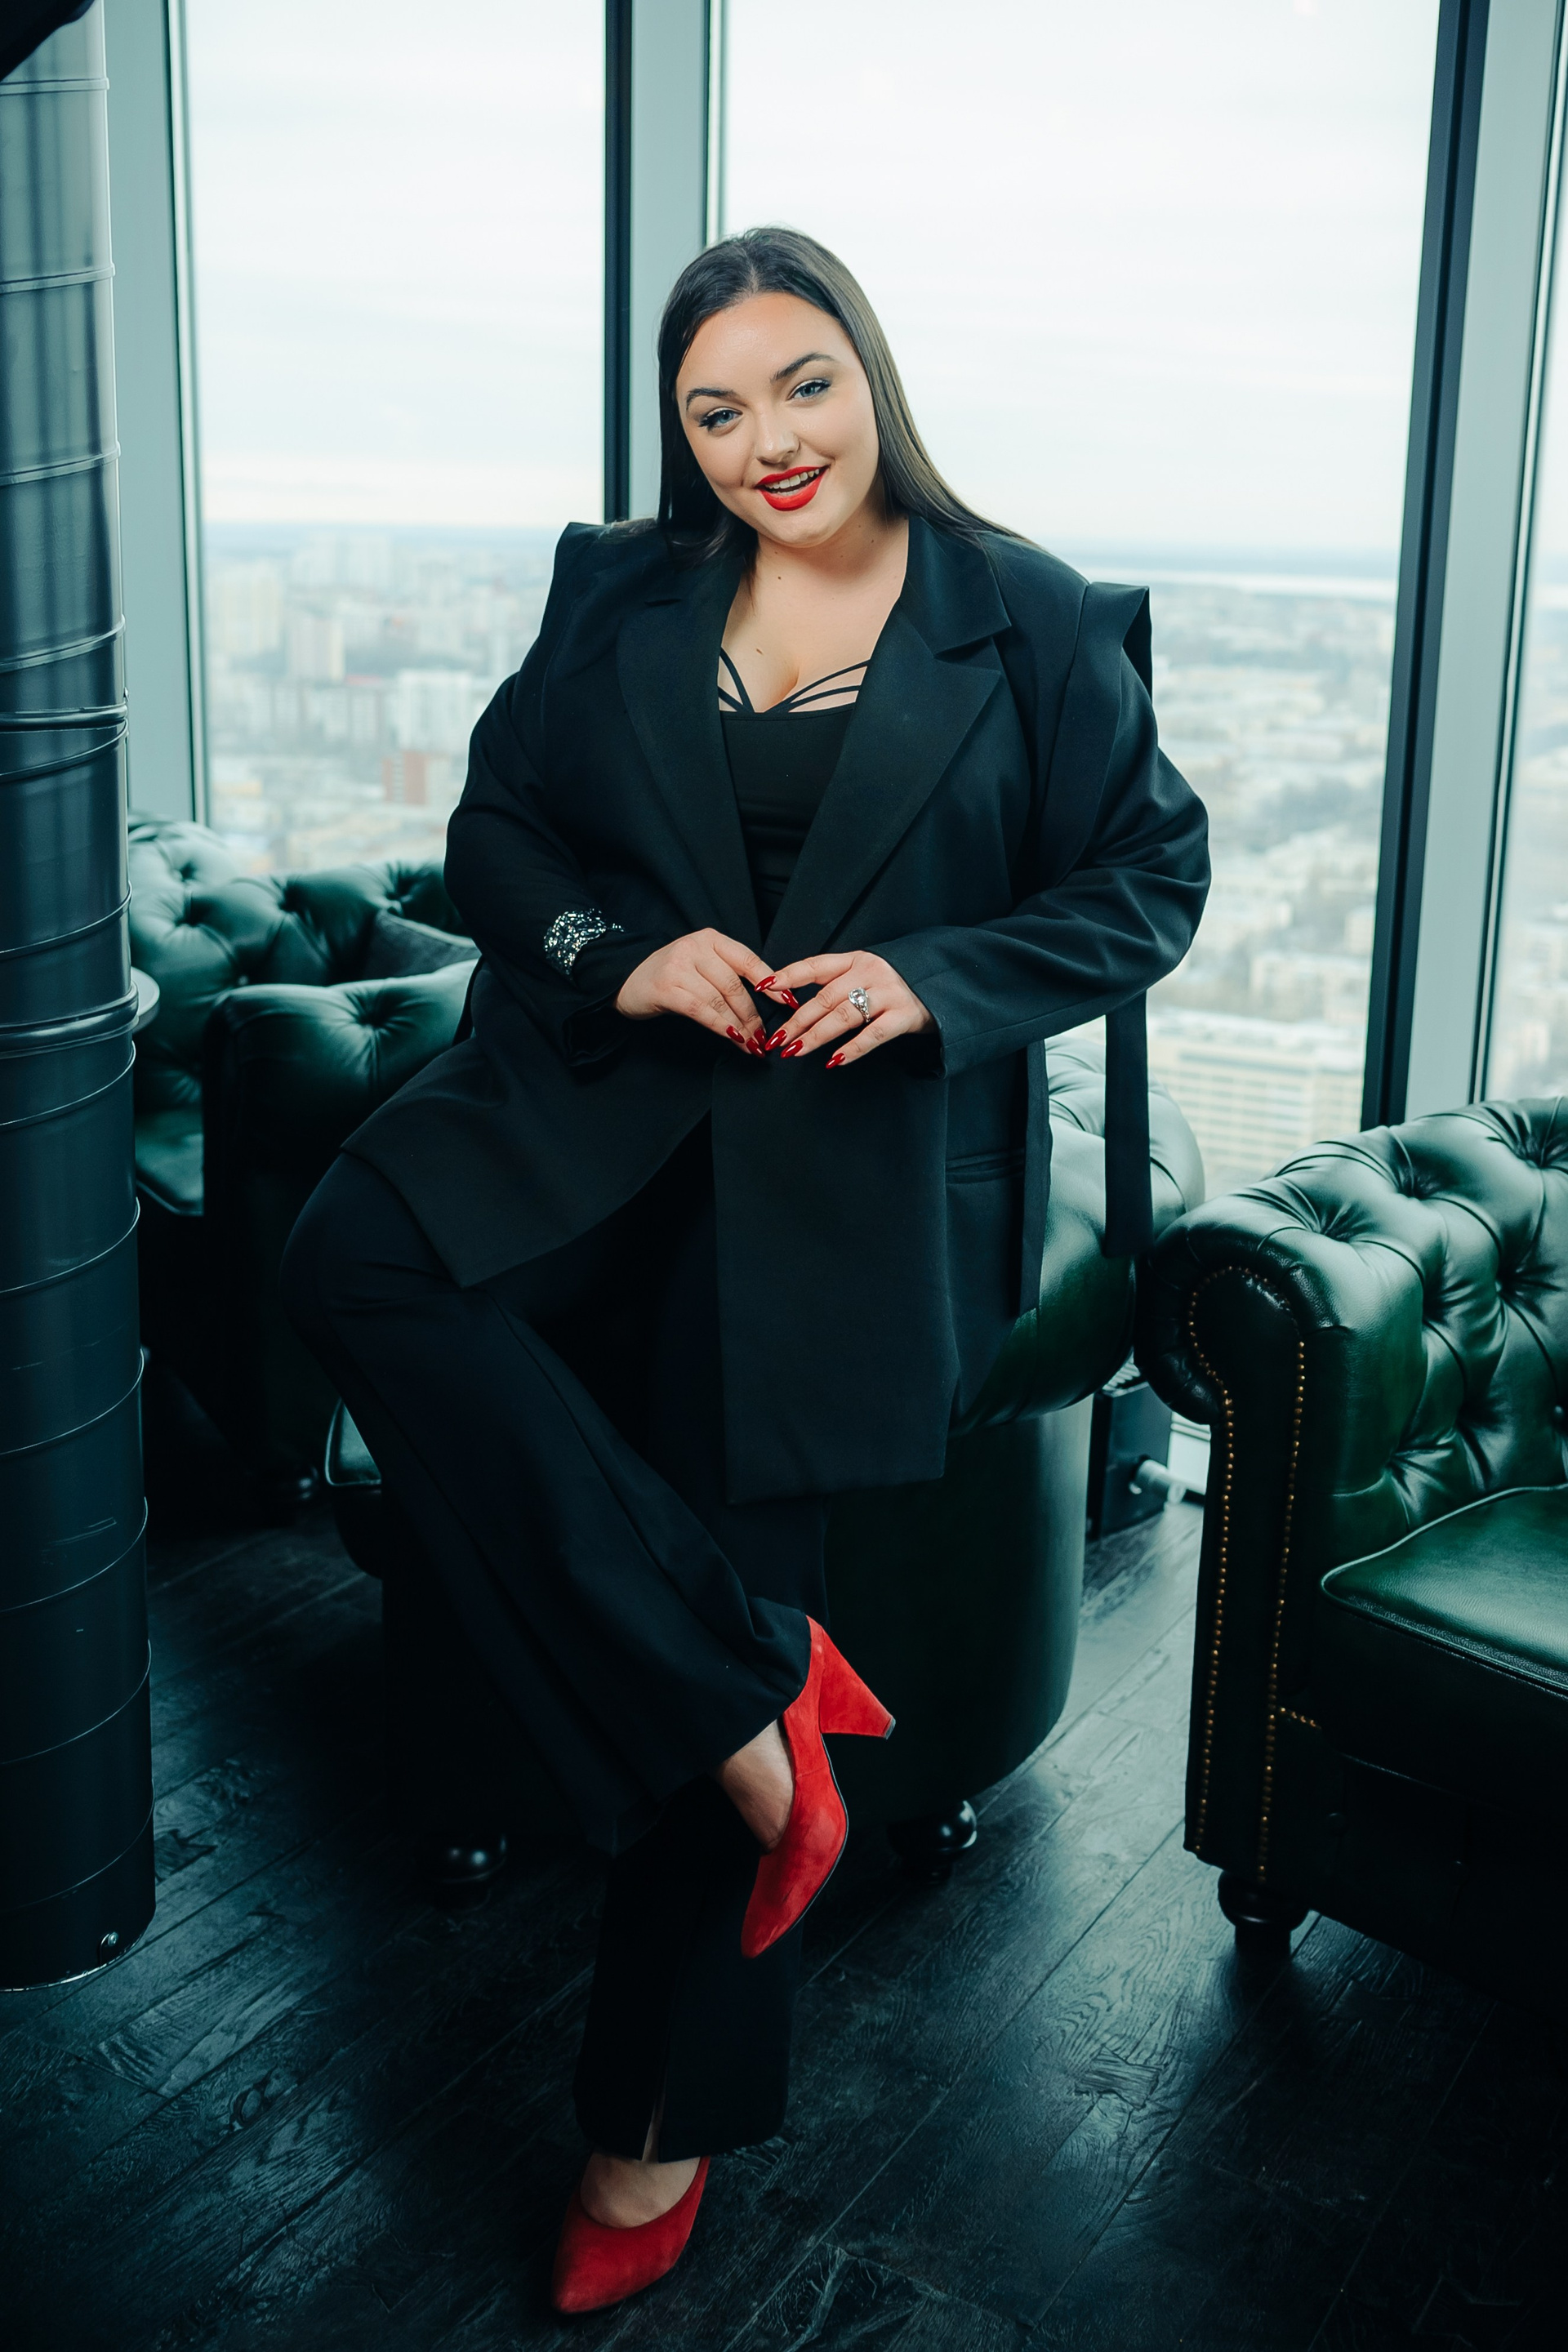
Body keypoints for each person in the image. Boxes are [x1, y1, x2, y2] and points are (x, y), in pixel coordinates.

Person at [281, 225, 1209, 2314]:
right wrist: (619, 956)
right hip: (589, 1101)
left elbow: (1154, 877)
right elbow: (495, 834)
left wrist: (941, 979)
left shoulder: (1035, 621)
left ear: (869, 375)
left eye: (801, 385)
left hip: (839, 1176)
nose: (765, 440)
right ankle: (742, 1694)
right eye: (714, 410)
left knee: (737, 1540)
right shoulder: (618, 586)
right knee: (353, 1253)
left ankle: (650, 2129)